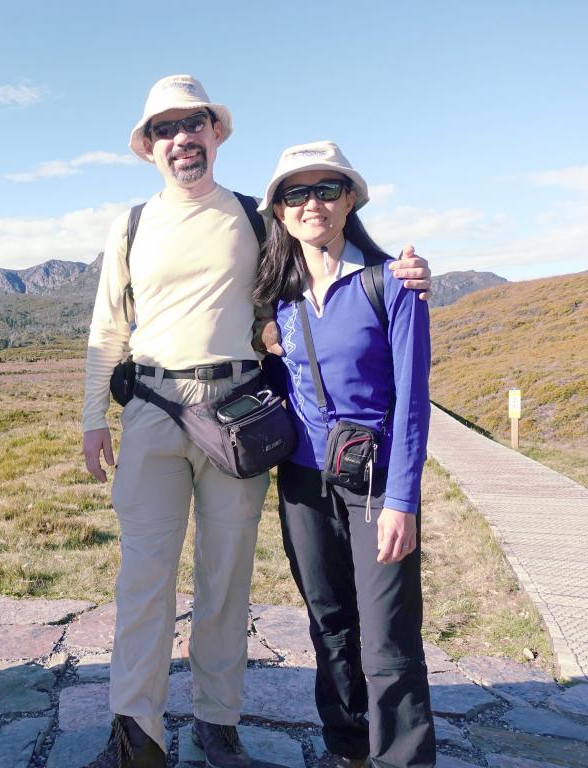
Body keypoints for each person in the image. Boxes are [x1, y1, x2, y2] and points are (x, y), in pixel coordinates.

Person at [82, 77, 432, 768]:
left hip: (236, 417)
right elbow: (107, 326)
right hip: (151, 412)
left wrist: (404, 273)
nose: (181, 137)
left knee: (226, 579)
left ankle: (219, 725)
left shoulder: (253, 216)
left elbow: (323, 255)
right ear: (150, 147)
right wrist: (93, 418)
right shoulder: (129, 225)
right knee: (142, 579)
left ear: (216, 132)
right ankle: (137, 736)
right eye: (165, 128)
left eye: (194, 122)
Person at [253, 141, 435, 768]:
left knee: (387, 636)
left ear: (350, 199)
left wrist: (403, 500)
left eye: (326, 189)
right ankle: (348, 750)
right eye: (295, 194)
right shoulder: (278, 295)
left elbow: (413, 400)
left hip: (378, 481)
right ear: (278, 211)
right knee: (329, 625)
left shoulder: (393, 284)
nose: (312, 204)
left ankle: (403, 759)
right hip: (303, 482)